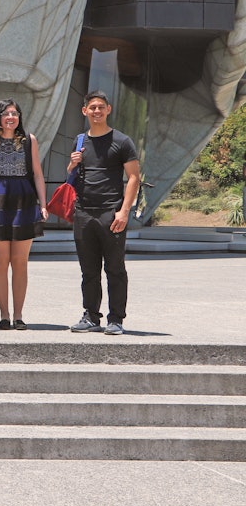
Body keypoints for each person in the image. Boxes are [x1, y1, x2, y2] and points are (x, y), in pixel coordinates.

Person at [68, 91, 141, 336]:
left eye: (101, 107)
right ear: (84, 111)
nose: (96, 111)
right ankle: (90, 316)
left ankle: (116, 319)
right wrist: (72, 163)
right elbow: (71, 174)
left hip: (111, 213)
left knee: (115, 268)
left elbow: (133, 178)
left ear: (108, 109)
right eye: (92, 107)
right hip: (84, 213)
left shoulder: (121, 141)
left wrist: (123, 212)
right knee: (88, 269)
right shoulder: (80, 141)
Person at [0, 99, 48, 330]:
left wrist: (43, 204)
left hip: (24, 200)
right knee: (0, 261)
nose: (11, 117)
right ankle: (3, 315)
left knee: (20, 262)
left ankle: (19, 315)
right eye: (6, 113)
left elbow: (38, 174)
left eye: (15, 113)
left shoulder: (29, 140)